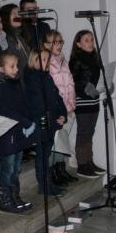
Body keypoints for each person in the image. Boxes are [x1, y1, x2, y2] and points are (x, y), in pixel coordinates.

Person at [0, 51, 36, 213]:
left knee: (16, 167)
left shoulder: (16, 83)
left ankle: (16, 196)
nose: (16, 69)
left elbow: (24, 104)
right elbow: (5, 110)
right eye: (12, 66)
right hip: (6, 134)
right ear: (1, 68)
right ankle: (6, 200)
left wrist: (30, 120)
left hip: (18, 133)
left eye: (17, 66)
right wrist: (26, 121)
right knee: (8, 168)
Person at [25, 48, 68, 196]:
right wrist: (53, 120)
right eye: (43, 59)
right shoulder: (32, 78)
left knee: (46, 155)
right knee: (42, 156)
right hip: (41, 122)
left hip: (51, 121)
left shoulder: (46, 76)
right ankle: (44, 186)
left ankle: (49, 184)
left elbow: (57, 97)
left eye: (48, 60)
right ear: (33, 61)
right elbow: (38, 104)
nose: (47, 62)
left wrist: (63, 114)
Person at [42, 30, 79, 185]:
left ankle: (61, 169)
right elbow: (50, 89)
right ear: (45, 45)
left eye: (60, 42)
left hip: (67, 107)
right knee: (57, 141)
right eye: (54, 42)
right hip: (56, 108)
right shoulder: (46, 62)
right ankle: (53, 172)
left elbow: (70, 83)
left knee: (65, 139)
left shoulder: (63, 59)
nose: (58, 45)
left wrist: (71, 104)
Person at [69, 30, 105, 177]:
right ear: (78, 44)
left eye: (91, 39)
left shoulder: (95, 57)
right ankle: (82, 165)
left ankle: (89, 161)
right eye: (86, 40)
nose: (90, 42)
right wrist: (85, 89)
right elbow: (71, 82)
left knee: (90, 131)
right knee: (83, 132)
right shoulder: (76, 59)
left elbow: (98, 78)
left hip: (94, 99)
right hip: (82, 100)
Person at [0, 3, 30, 73]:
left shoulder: (20, 35)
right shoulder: (5, 38)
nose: (18, 16)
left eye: (19, 13)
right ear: (6, 17)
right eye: (14, 13)